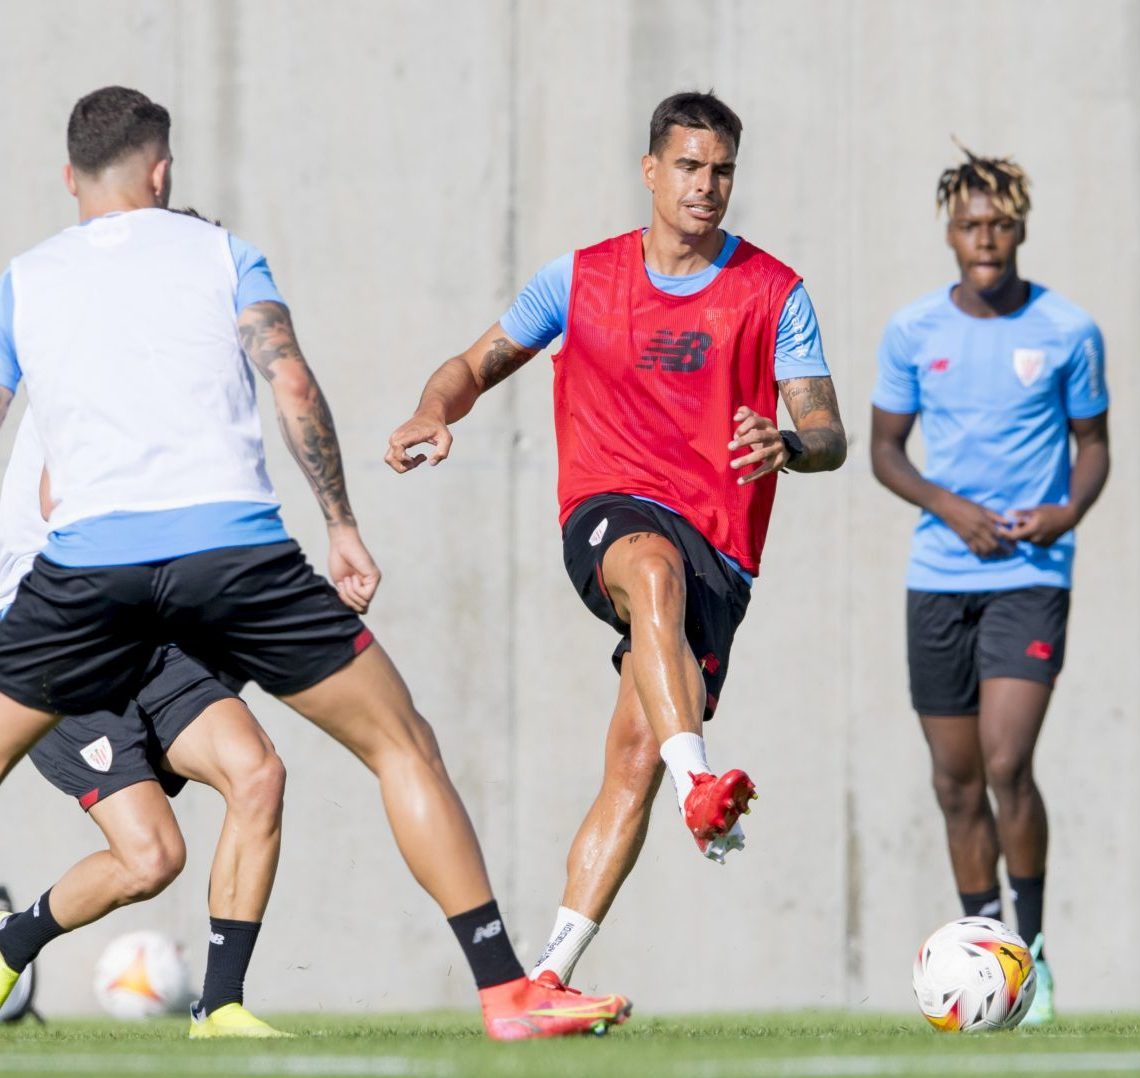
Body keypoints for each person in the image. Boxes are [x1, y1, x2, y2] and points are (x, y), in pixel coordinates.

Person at [0, 86, 628, 1039]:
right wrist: (340, 524)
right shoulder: (220, 252)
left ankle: (219, 1004)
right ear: (161, 173)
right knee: (401, 743)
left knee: (244, 772)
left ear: (68, 178)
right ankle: (507, 992)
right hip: (233, 555)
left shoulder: (25, 280)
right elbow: (289, 379)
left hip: (90, 568)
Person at [386, 90, 847, 987]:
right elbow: (472, 365)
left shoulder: (774, 292)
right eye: (689, 166)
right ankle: (700, 784)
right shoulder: (581, 279)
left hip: (723, 551)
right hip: (611, 511)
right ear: (650, 171)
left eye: (722, 171)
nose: (705, 186)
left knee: (634, 757)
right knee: (653, 571)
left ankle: (545, 980)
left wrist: (790, 444)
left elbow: (827, 431)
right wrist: (433, 412)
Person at [869, 143, 1110, 1026]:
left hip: (1031, 576)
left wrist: (1065, 512)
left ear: (1020, 230)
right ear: (950, 231)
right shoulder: (912, 331)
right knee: (955, 782)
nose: (985, 239)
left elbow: (1095, 446)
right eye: (970, 224)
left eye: (1000, 225)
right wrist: (949, 506)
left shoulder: (1069, 330)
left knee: (1008, 762)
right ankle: (986, 952)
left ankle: (1033, 956)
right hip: (938, 577)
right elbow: (885, 451)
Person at [0, 403, 289, 1038]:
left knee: (258, 773)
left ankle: (219, 1007)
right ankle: (11, 944)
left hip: (143, 634)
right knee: (151, 860)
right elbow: (62, 504)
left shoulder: (181, 391)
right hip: (52, 637)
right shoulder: (81, 375)